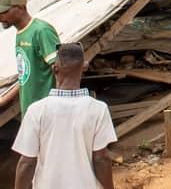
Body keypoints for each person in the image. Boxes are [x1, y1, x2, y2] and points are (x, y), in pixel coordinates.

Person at [12, 43, 115, 189]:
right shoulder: (98, 109)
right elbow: (102, 160)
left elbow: (27, 162)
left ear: (54, 68)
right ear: (84, 67)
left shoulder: (37, 110)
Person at [0, 0, 60, 118]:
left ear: (21, 7)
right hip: (30, 113)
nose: (1, 17)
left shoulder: (41, 31)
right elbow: (27, 75)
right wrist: (5, 99)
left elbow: (61, 71)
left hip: (46, 114)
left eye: (4, 12)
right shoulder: (21, 33)